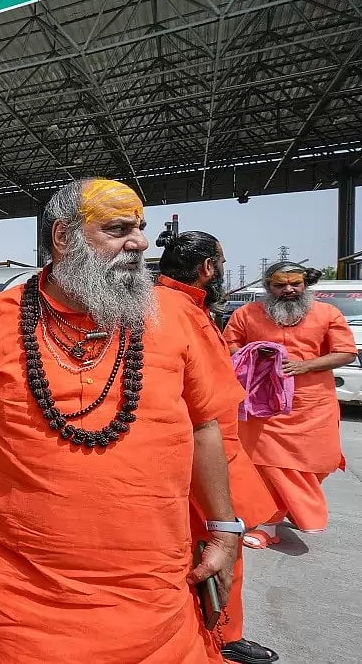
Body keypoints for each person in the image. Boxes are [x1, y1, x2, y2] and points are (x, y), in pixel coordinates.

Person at [0, 178, 240, 662]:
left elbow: (206, 426)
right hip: (22, 594)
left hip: (151, 588)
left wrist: (226, 531)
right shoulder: (0, 317)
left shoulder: (176, 316)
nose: (140, 243)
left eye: (141, 228)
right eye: (119, 229)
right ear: (64, 238)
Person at [157, 230, 280, 664]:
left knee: (221, 547)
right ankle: (211, 637)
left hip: (219, 451)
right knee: (207, 550)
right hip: (196, 456)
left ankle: (224, 632)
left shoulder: (193, 307)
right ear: (209, 268)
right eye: (222, 262)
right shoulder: (173, 309)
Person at [224, 262, 356, 548]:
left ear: (305, 284)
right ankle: (268, 526)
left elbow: (346, 352)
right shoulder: (246, 314)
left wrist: (305, 365)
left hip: (312, 404)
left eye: (294, 283)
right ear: (267, 286)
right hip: (263, 405)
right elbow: (228, 346)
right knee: (269, 467)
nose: (288, 290)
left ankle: (289, 506)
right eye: (279, 284)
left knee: (317, 464)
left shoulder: (327, 313)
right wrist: (256, 355)